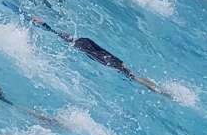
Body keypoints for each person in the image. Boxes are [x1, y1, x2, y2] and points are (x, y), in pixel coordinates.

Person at [30, 17, 164, 94]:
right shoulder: (83, 40)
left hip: (100, 57)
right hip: (106, 55)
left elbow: (55, 32)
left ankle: (156, 89)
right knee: (129, 72)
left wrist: (43, 24)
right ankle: (156, 87)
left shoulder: (76, 44)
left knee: (129, 75)